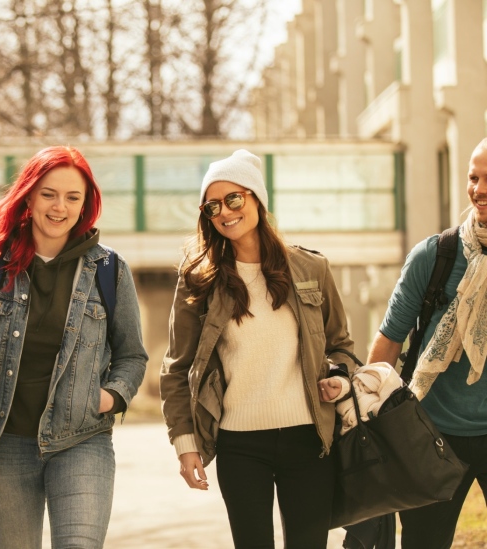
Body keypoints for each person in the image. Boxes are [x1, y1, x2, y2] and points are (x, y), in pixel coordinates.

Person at [0, 145, 148, 549]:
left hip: (82, 440)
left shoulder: (108, 270)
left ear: (85, 205)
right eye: (49, 193)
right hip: (5, 446)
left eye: (73, 197)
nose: (59, 207)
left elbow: (132, 355)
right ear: (29, 197)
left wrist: (107, 397)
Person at [160, 149, 355, 548]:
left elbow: (341, 346)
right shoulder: (199, 281)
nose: (225, 212)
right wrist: (185, 443)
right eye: (212, 206)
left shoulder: (311, 269)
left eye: (235, 198)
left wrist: (339, 378)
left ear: (257, 199)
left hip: (308, 438)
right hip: (239, 443)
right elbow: (176, 368)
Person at [364, 138, 487, 549]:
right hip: (432, 432)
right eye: (473, 177)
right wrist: (369, 419)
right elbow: (389, 340)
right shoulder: (434, 257)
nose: (479, 189)